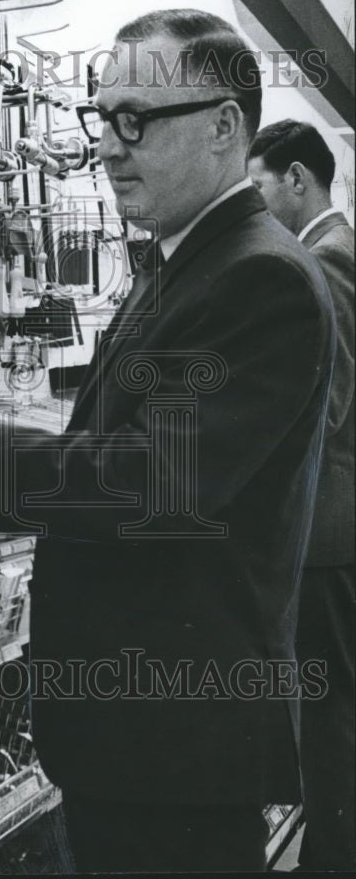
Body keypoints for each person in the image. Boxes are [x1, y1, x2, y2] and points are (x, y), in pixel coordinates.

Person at [0, 10, 336, 872]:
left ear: (225, 127)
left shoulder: (255, 273)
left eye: (136, 119)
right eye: (100, 117)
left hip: (172, 742)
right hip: (142, 736)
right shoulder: (193, 259)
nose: (110, 147)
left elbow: (157, 483)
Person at [249, 120, 355, 872]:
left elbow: (327, 403)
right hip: (335, 529)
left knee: (329, 721)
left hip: (327, 535)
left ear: (295, 179)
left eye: (256, 186)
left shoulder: (327, 263)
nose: (251, 204)